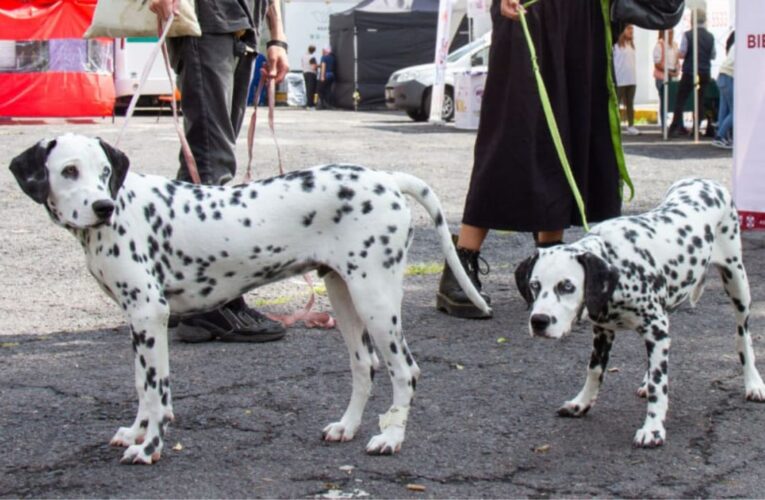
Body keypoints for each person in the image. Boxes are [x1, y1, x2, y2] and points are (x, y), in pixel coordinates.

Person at [436, 0, 628, 319]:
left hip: (586, 17)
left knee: (569, 134)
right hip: (529, 11)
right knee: (513, 132)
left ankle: (545, 267)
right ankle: (461, 262)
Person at [150, 0, 290, 342]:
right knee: (212, 164)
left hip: (242, 28)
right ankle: (212, 304)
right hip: (206, 25)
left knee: (201, 166)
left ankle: (179, 294)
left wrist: (277, 37)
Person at [668, 9, 716, 138]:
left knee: (681, 99)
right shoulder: (710, 36)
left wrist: (677, 54)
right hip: (705, 71)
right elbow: (713, 55)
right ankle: (696, 129)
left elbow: (683, 52)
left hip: (690, 71)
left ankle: (675, 127)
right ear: (704, 20)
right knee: (700, 101)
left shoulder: (688, 35)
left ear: (692, 20)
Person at [614, 24, 640, 135]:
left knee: (630, 103)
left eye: (632, 29)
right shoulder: (616, 46)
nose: (631, 31)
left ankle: (631, 125)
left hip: (631, 79)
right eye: (629, 29)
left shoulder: (631, 45)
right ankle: (616, 124)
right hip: (621, 79)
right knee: (617, 103)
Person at [653, 28, 679, 130]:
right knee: (664, 101)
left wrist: (676, 70)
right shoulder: (659, 45)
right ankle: (664, 125)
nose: (671, 34)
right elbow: (657, 63)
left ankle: (676, 125)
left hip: (673, 75)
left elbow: (677, 60)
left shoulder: (675, 45)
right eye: (670, 32)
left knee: (674, 100)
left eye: (673, 32)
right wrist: (668, 71)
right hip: (662, 76)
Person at [712, 39, 735, 149]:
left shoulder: (735, 44)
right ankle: (720, 136)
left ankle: (722, 137)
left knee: (724, 109)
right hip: (729, 77)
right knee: (736, 112)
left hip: (722, 75)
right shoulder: (743, 46)